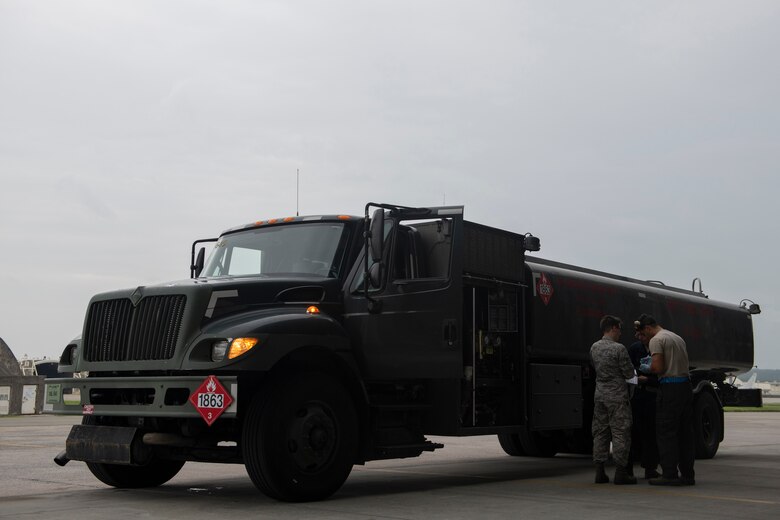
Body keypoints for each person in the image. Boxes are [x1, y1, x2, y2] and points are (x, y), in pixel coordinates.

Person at [635, 313, 695, 486]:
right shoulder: (676, 337)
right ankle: (688, 474)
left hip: (669, 388)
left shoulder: (656, 340)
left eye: (643, 335)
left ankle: (669, 474)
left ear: (648, 328)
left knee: (666, 432)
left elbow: (659, 367)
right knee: (685, 434)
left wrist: (648, 367)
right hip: (685, 386)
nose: (643, 339)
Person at [590, 315, 637, 485]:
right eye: (620, 329)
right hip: (617, 397)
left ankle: (599, 471)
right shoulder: (619, 349)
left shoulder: (594, 347)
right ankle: (621, 472)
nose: (621, 333)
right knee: (620, 432)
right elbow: (628, 373)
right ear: (614, 328)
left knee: (600, 432)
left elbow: (596, 368)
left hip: (600, 395)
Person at [626, 330, 660, 479]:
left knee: (652, 433)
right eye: (638, 335)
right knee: (634, 433)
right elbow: (628, 369)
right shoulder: (634, 349)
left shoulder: (657, 348)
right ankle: (628, 469)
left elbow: (663, 371)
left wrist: (650, 380)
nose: (639, 337)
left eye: (642, 335)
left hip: (653, 393)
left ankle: (650, 467)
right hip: (638, 393)